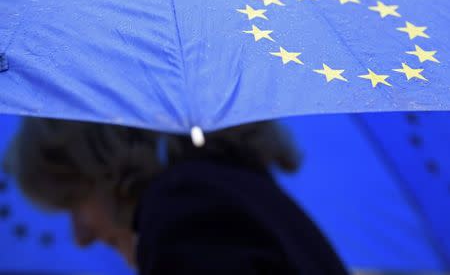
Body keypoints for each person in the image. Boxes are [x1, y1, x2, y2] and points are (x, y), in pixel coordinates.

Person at [2, 117, 349, 274]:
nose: (80, 237)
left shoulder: (187, 210)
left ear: (103, 163)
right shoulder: (240, 191)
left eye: (71, 202)